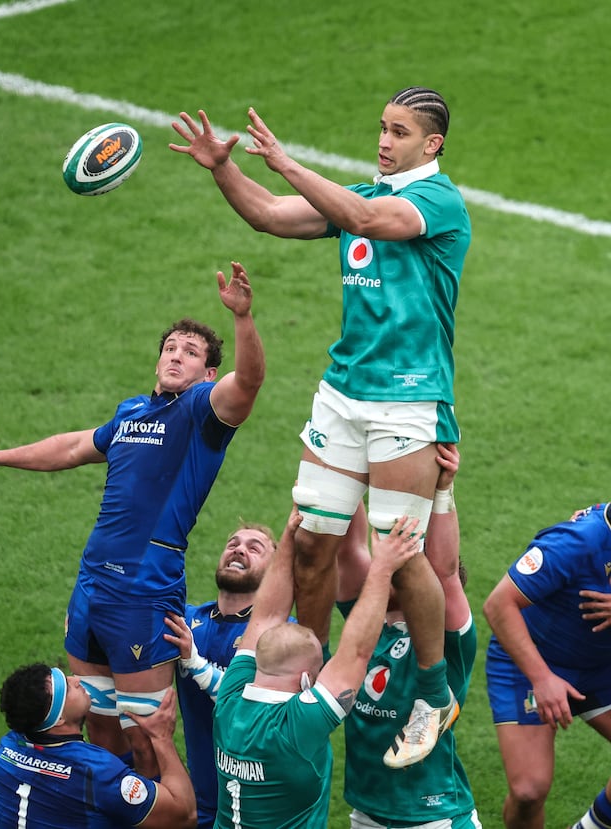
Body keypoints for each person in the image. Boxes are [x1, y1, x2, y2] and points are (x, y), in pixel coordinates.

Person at [170, 88, 470, 763]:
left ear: (433, 145)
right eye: (382, 128)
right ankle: (308, 670)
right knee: (308, 543)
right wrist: (223, 167)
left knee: (405, 555)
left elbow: (364, 214)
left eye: (400, 132)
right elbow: (272, 216)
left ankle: (432, 689)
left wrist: (284, 160)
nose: (385, 141)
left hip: (408, 401)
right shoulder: (358, 197)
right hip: (341, 397)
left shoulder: (438, 204)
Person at [0, 262, 266, 777]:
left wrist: (243, 318)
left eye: (190, 352)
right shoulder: (132, 413)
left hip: (143, 591)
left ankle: (165, 812)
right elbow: (73, 446)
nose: (175, 356)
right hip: (92, 584)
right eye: (170, 348)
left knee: (148, 738)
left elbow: (249, 381)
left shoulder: (203, 413)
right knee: (98, 728)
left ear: (208, 373)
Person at [210, 505, 421, 828]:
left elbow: (265, 616)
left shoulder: (230, 698)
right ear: (308, 680)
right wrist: (383, 569)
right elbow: (357, 652)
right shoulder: (295, 728)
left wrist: (289, 539)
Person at [336, 443, 482, 826]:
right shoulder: (369, 621)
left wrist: (442, 491)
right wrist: (344, 465)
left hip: (433, 817)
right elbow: (349, 549)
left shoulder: (450, 641)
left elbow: (445, 573)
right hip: (367, 813)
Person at [483, 502, 611, 829]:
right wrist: (542, 678)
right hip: (533, 662)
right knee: (529, 790)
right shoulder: (576, 542)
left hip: (600, 667)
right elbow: (498, 605)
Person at [162, 520, 290, 829]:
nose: (239, 549)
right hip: (201, 802)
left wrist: (194, 662)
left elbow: (248, 708)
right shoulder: (189, 620)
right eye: (233, 543)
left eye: (254, 547)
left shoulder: (284, 636)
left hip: (257, 806)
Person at [0, 662, 197, 829]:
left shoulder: (6, 749)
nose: (76, 680)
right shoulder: (95, 772)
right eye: (68, 689)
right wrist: (162, 738)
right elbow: (184, 815)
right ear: (59, 719)